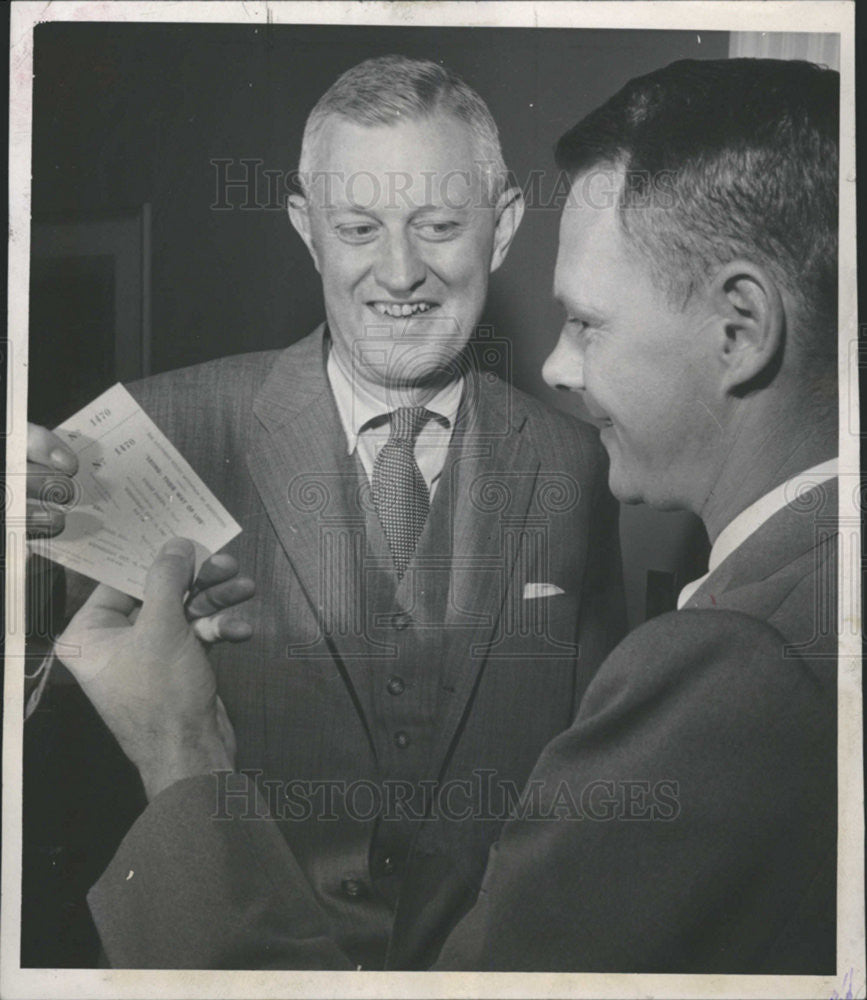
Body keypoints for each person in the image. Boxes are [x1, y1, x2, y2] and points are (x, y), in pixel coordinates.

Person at [49, 55, 839, 973]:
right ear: (307, 229)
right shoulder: (154, 432)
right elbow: (65, 755)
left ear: (501, 230)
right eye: (357, 226)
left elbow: (609, 769)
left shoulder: (581, 461)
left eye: (436, 225)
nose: (399, 271)